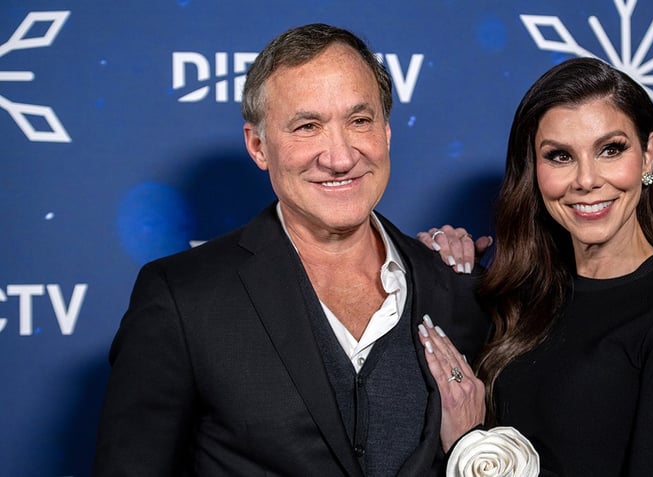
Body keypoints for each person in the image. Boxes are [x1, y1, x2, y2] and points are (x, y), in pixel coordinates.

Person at [93, 23, 490, 477]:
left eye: (360, 121)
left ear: (386, 131)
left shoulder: (458, 288)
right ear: (258, 146)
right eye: (308, 126)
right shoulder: (182, 298)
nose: (340, 157)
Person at [417, 57, 653, 476]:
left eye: (610, 150)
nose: (586, 180)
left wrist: (471, 447)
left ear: (649, 155)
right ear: (534, 169)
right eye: (560, 156)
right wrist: (438, 275)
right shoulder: (524, 288)